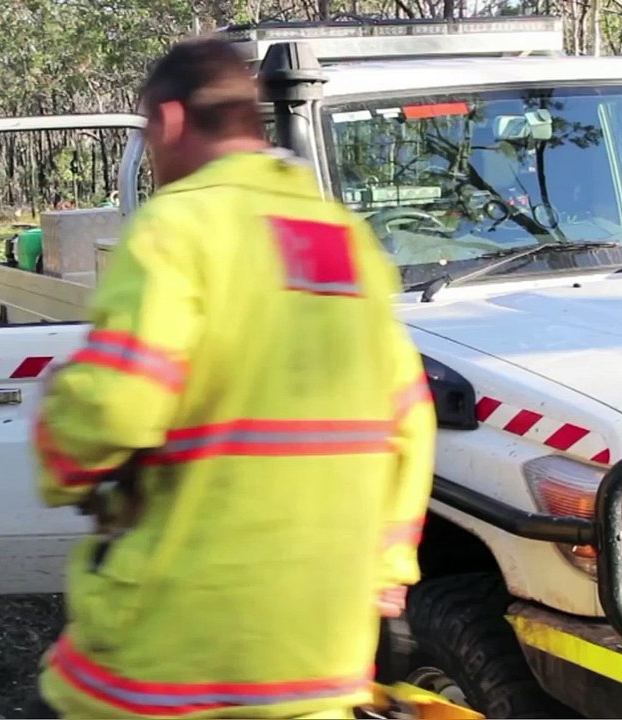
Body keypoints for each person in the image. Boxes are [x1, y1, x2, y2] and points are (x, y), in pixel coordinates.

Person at [27, 36, 437, 720]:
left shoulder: (177, 227)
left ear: (170, 122)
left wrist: (56, 441)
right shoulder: (345, 239)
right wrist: (388, 570)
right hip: (320, 663)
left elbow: (117, 407)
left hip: (172, 654)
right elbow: (409, 418)